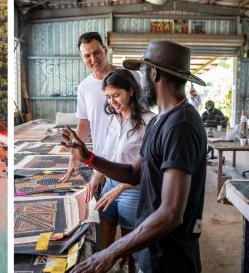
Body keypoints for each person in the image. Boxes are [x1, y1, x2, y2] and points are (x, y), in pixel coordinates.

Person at [62, 40, 207, 273]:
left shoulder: (181, 126)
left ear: (155, 74)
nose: (140, 78)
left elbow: (171, 214)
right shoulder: (161, 120)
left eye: (143, 70)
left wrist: (110, 252)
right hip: (151, 248)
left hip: (170, 259)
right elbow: (134, 173)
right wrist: (89, 158)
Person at [60, 32, 139, 197]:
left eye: (97, 53)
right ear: (81, 57)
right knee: (102, 212)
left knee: (127, 211)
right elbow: (84, 123)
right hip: (100, 160)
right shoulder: (84, 87)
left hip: (129, 158)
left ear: (105, 50)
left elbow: (143, 112)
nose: (93, 59)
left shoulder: (129, 77)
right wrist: (73, 156)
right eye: (87, 56)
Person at [94, 69, 154, 273]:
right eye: (108, 97)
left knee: (130, 247)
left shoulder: (149, 121)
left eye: (116, 95)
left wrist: (121, 188)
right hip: (109, 185)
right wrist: (98, 175)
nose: (112, 102)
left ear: (131, 91)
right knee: (103, 241)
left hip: (132, 190)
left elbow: (148, 170)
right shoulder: (113, 118)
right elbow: (107, 153)